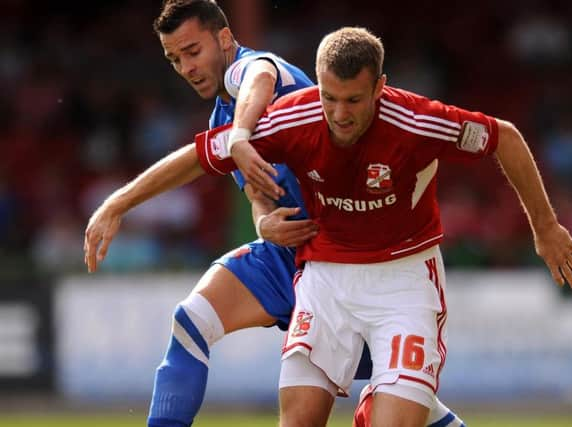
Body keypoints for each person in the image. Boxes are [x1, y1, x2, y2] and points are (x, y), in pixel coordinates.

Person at [82, 3, 464, 427]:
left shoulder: (259, 71)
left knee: (401, 405)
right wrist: (263, 219)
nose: (186, 67)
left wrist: (119, 202)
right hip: (291, 255)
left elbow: (257, 78)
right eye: (175, 59)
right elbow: (258, 189)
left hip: (347, 261)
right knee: (191, 321)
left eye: (193, 51)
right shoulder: (222, 117)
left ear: (225, 40)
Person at [193, 27, 572, 426]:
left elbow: (505, 136)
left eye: (353, 100)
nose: (340, 113)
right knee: (298, 421)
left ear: (379, 87)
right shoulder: (294, 115)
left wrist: (546, 227)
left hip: (404, 281)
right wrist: (127, 200)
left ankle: (378, 407)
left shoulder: (418, 121)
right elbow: (208, 155)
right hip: (325, 278)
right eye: (329, 98)